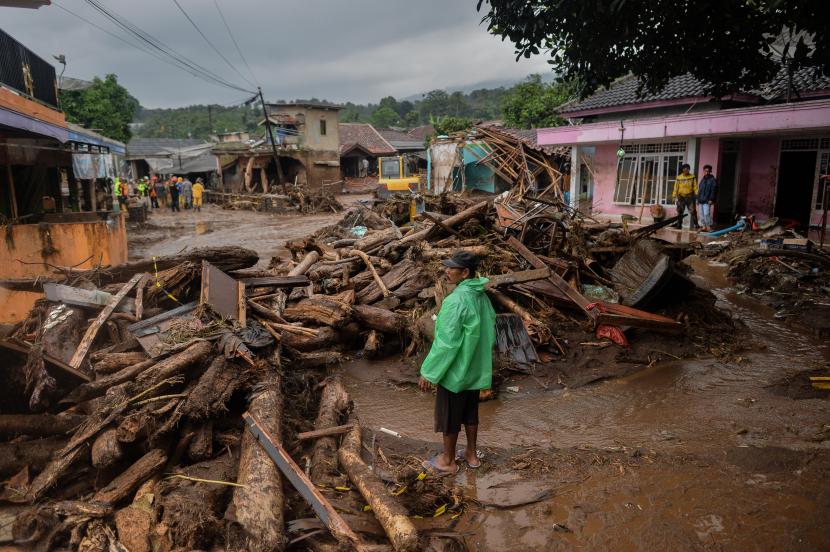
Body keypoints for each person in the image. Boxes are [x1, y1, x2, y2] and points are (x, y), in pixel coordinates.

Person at [419, 251, 496, 475]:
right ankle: (471, 455)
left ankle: (447, 461)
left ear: (465, 272)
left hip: (456, 370)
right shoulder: (480, 295)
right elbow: (490, 329)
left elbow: (447, 344)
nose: (446, 271)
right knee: (471, 412)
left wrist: (429, 372)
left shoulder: (456, 300)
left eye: (452, 268)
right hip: (475, 366)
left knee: (450, 415)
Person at [672, 163, 698, 230]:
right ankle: (679, 225)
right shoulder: (679, 177)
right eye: (685, 169)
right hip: (681, 197)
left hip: (690, 197)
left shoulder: (692, 177)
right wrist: (674, 196)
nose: (686, 171)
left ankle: (696, 225)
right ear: (683, 170)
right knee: (680, 211)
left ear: (689, 169)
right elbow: (676, 187)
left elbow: (695, 187)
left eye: (687, 169)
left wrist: (697, 195)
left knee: (693, 211)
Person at [697, 165, 718, 232]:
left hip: (707, 200)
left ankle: (708, 227)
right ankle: (703, 226)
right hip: (701, 200)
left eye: (708, 171)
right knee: (701, 214)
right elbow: (699, 190)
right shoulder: (702, 180)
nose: (707, 172)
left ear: (710, 171)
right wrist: (698, 199)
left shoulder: (712, 180)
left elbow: (713, 190)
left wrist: (711, 199)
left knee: (706, 214)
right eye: (705, 171)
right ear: (703, 171)